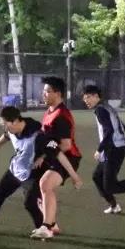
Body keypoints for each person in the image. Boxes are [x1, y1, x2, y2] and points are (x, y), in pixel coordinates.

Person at [0, 106, 82, 235]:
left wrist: (75, 177)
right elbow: (5, 136)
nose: (4, 128)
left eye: (5, 124)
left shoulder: (39, 136)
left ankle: (46, 228)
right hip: (15, 170)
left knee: (30, 203)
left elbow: (58, 154)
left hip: (31, 174)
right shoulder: (12, 130)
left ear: (14, 121)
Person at [81, 85, 125, 214]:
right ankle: (114, 206)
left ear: (96, 96)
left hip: (114, 150)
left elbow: (109, 131)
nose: (85, 100)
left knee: (110, 186)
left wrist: (99, 149)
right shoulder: (106, 107)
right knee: (97, 177)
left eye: (88, 97)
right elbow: (124, 128)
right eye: (84, 98)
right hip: (115, 148)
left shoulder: (100, 110)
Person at [32, 76, 82, 240]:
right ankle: (52, 224)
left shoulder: (61, 116)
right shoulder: (50, 111)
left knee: (45, 184)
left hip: (68, 157)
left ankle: (47, 227)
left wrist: (45, 155)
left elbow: (65, 145)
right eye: (44, 91)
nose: (43, 94)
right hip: (52, 157)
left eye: (47, 91)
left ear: (58, 93)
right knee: (34, 188)